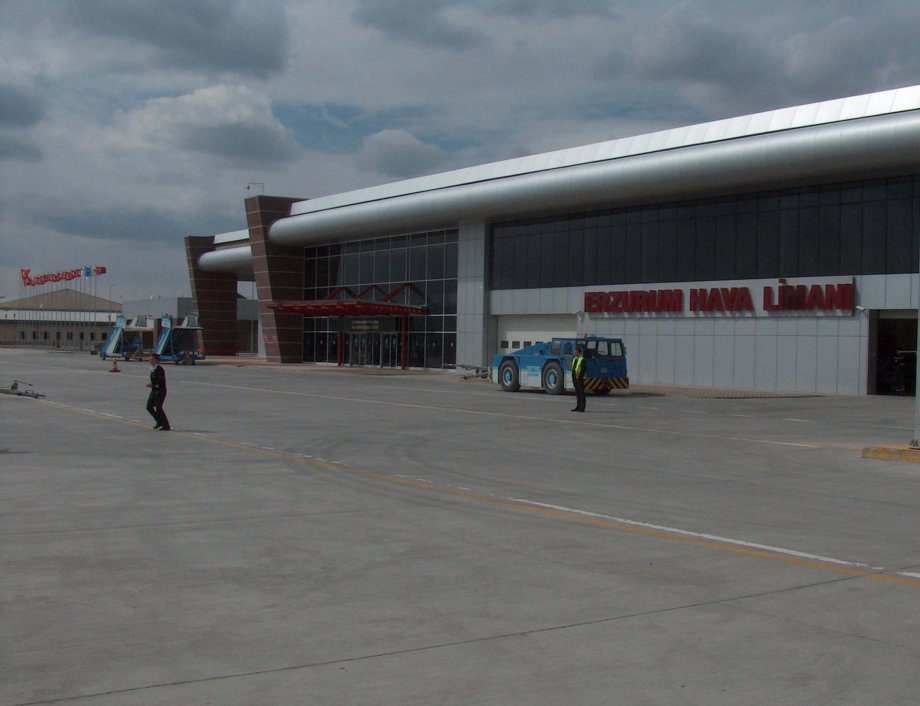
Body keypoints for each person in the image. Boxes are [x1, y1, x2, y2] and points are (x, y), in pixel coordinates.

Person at [146, 353, 170, 430]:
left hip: (161, 391)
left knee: (159, 407)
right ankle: (159, 421)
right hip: (154, 390)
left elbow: (160, 380)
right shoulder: (152, 368)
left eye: (152, 360)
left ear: (156, 360)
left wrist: (152, 384)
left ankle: (166, 425)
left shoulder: (160, 369)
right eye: (149, 360)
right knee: (149, 407)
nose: (150, 361)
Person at [571, 346, 587, 412]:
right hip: (575, 379)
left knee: (581, 393)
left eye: (576, 352)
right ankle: (578, 406)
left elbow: (583, 370)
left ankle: (582, 407)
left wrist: (579, 377)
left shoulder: (582, 360)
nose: (575, 353)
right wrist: (573, 379)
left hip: (580, 379)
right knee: (577, 393)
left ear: (579, 353)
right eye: (575, 352)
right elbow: (573, 369)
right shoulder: (575, 359)